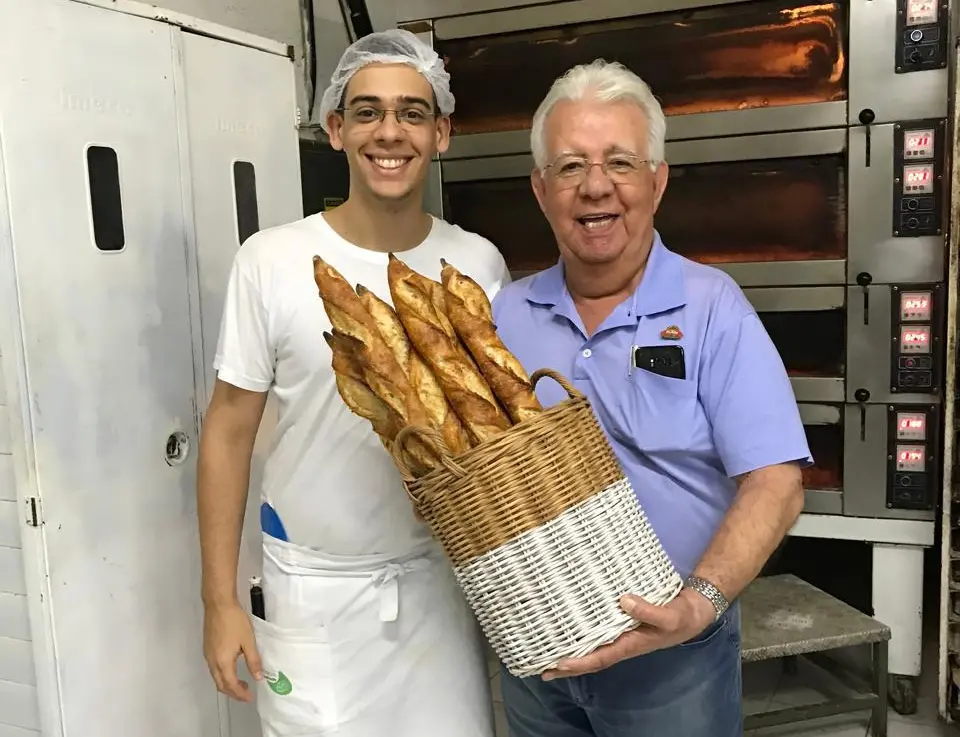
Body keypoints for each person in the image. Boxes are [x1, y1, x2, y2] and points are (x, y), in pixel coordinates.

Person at [196, 29, 509, 737]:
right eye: (367, 112)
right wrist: (219, 601)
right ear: (336, 130)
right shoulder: (273, 261)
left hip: (438, 586)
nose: (389, 132)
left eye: (412, 113)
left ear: (441, 134)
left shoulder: (475, 265)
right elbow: (228, 430)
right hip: (314, 592)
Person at [490, 59, 812, 736]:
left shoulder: (711, 306)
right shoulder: (506, 316)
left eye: (620, 162)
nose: (595, 186)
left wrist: (699, 603)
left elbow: (776, 482)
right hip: (538, 657)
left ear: (657, 181)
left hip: (674, 662)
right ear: (541, 190)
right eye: (570, 166)